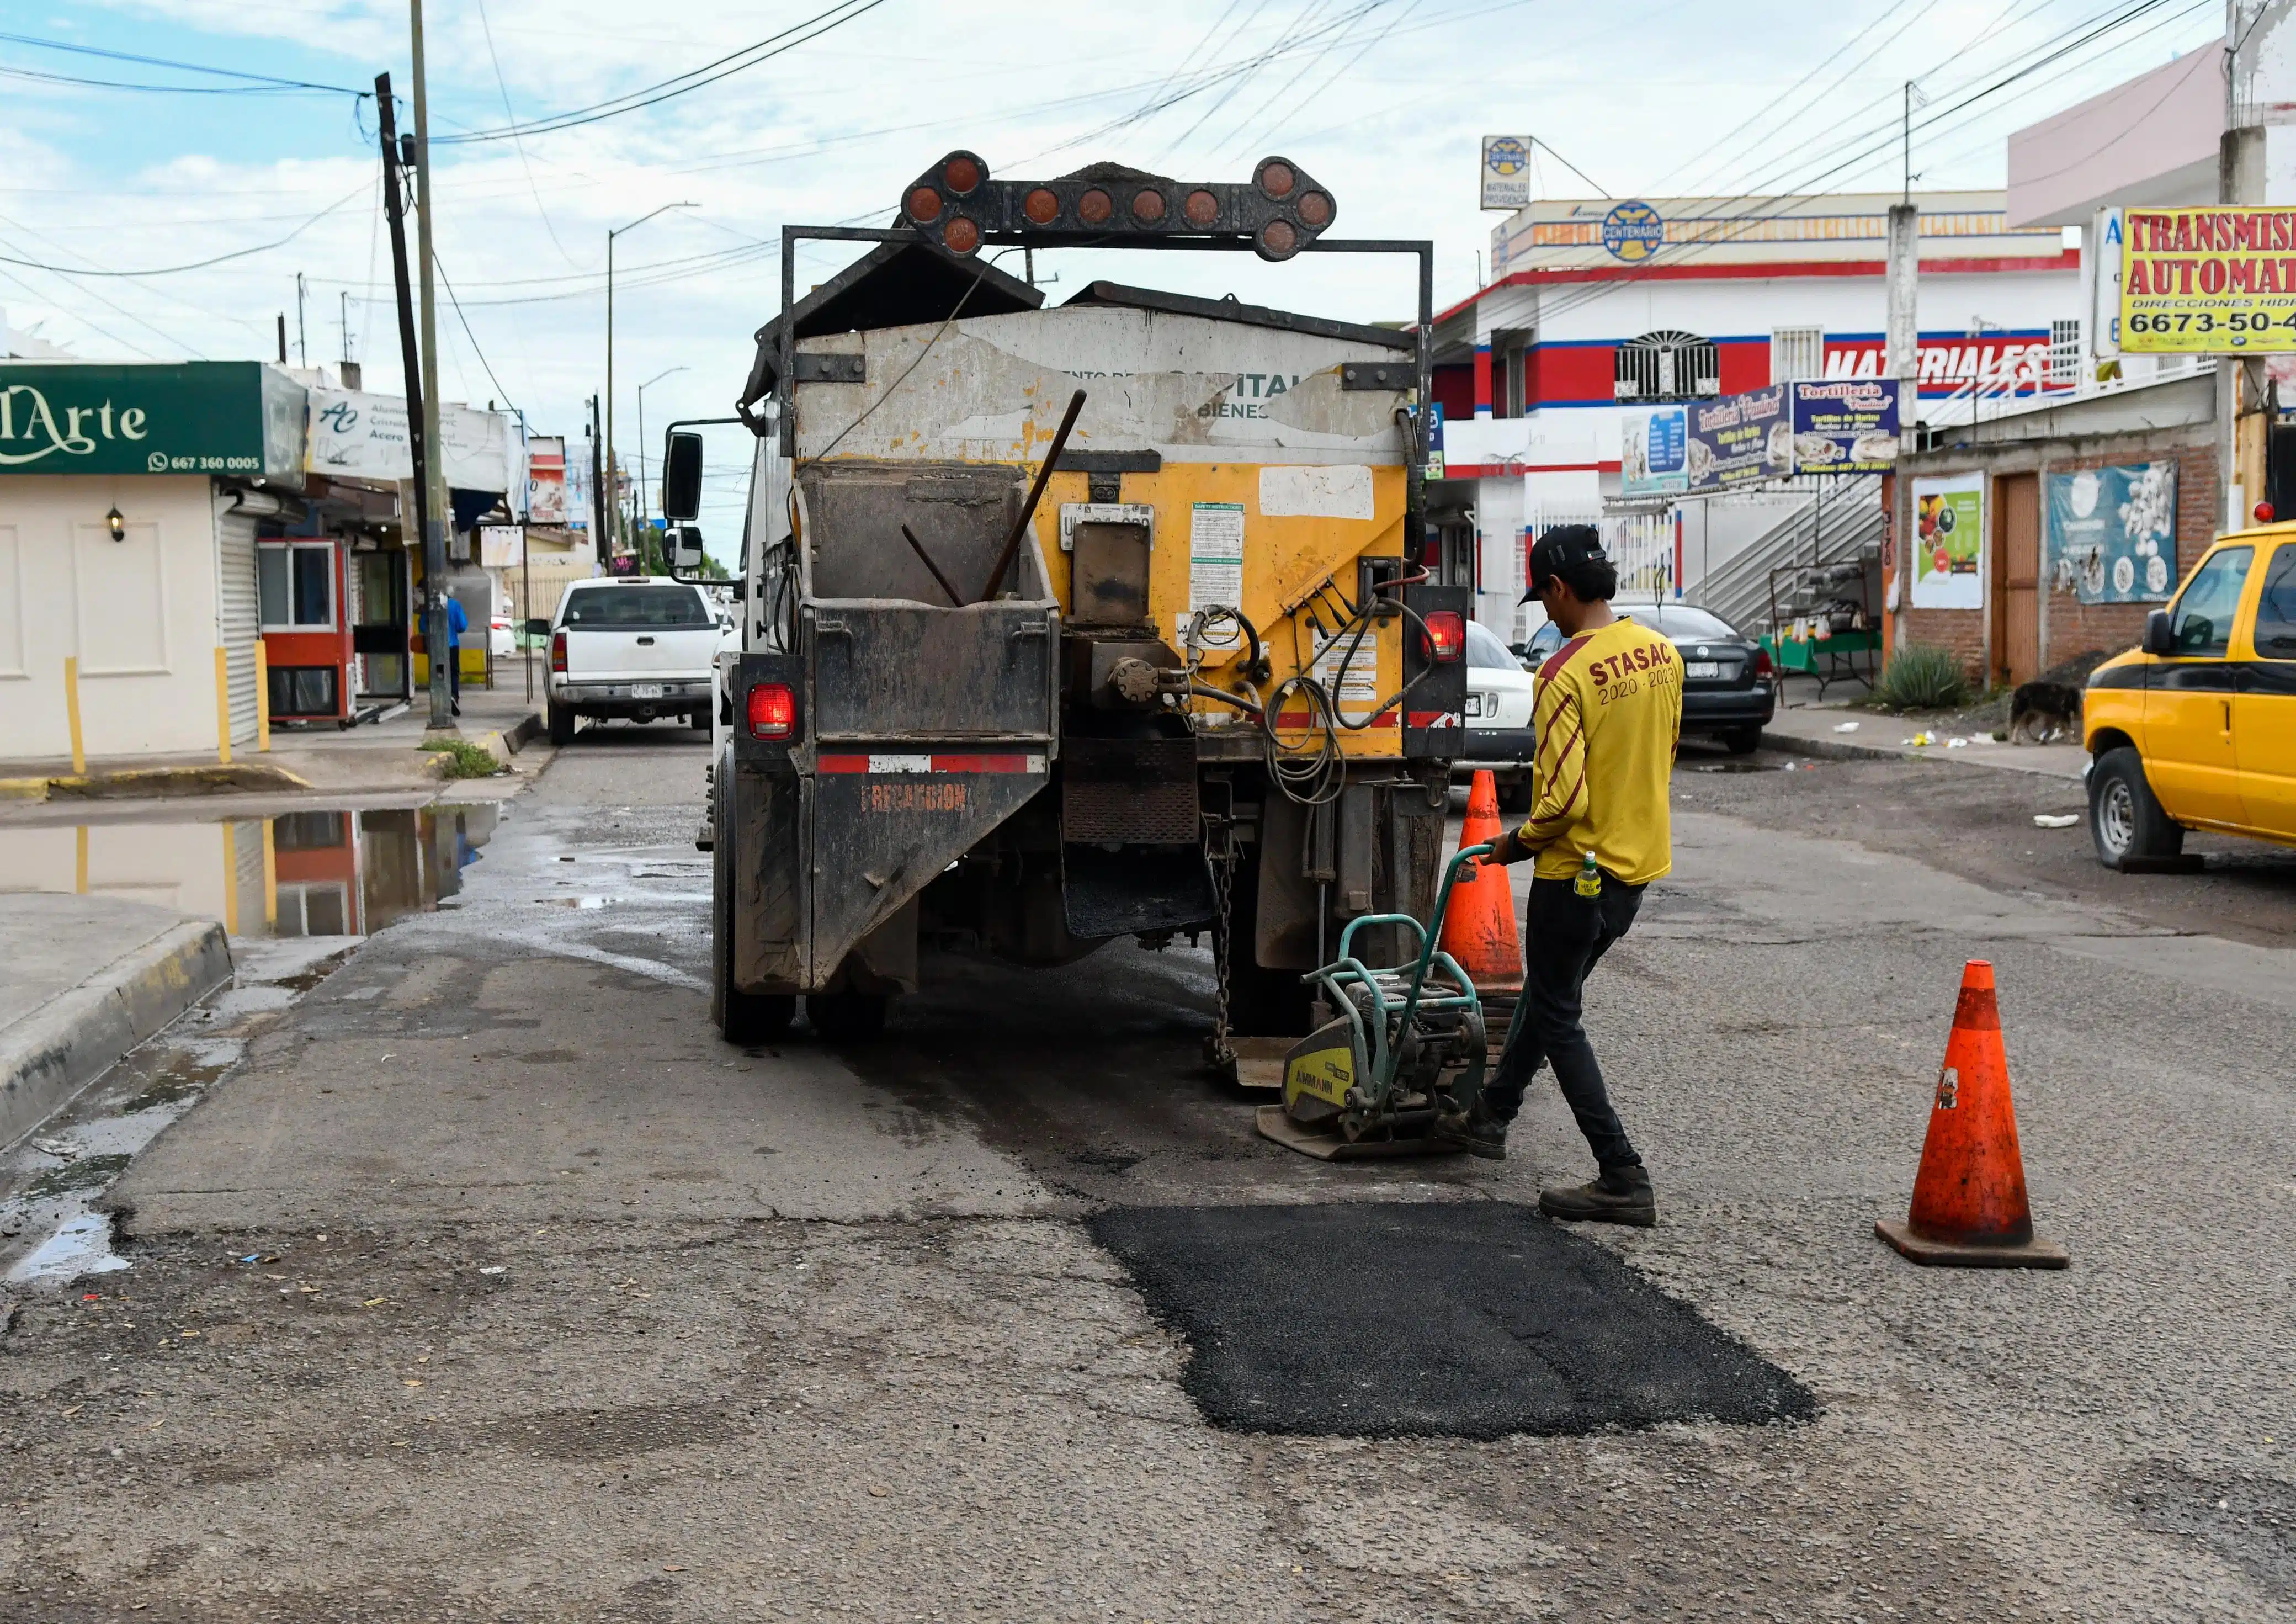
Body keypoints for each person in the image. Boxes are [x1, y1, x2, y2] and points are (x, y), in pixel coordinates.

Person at [1436, 524, 1683, 1227]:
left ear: (1558, 588)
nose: (1543, 612)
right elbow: (1662, 752)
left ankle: (1621, 1172)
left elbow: (1564, 801)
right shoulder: (1660, 653)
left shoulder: (1562, 673)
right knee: (1551, 999)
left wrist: (1513, 847)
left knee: (1557, 1013)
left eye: (1542, 597)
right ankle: (1490, 1114)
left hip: (1575, 874)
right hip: (1633, 873)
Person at [443, 591, 468, 717]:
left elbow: (423, 626)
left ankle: (441, 698)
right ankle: (454, 695)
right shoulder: (454, 605)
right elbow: (462, 626)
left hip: (436, 646)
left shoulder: (431, 605)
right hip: (452, 644)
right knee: (453, 672)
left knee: (440, 673)